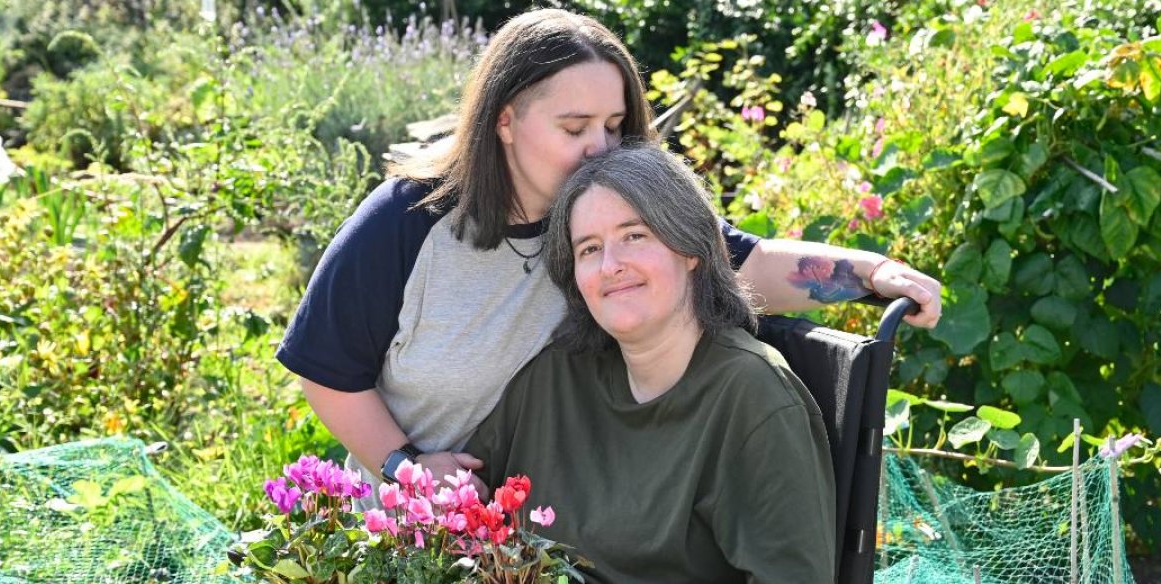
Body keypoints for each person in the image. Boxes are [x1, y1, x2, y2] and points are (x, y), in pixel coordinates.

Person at [275, 8, 942, 498]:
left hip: (548, 536)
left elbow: (741, 263)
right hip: (410, 526)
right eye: (575, 127)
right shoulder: (409, 219)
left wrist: (871, 274)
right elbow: (325, 368)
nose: (602, 147)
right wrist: (407, 465)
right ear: (505, 121)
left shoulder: (613, 215)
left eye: (614, 126)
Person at [462, 143, 836, 584]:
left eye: (634, 236)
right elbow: (467, 502)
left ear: (691, 250)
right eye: (589, 249)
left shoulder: (752, 396)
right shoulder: (556, 377)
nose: (610, 265)